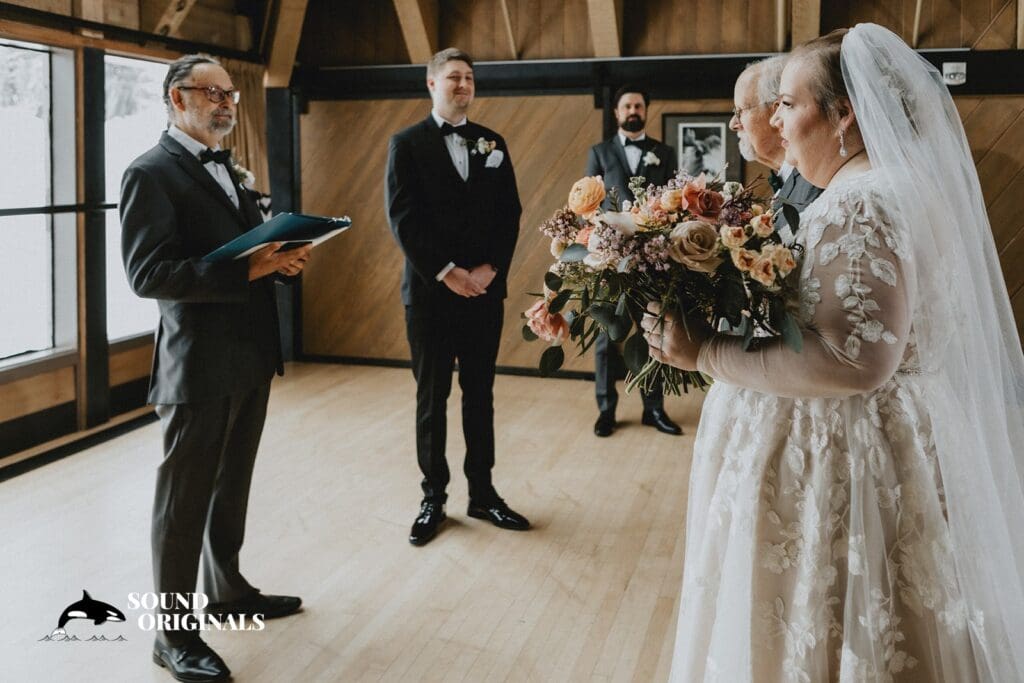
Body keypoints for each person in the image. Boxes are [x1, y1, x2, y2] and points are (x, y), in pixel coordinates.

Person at [645, 25, 1024, 681]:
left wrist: (705, 349)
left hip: (847, 463)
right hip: (901, 439)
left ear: (844, 112)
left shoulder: (861, 202)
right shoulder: (905, 187)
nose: (776, 120)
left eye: (789, 104)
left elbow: (855, 362)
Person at [121, 54, 308, 682]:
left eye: (231, 93)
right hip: (196, 363)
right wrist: (245, 269)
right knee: (182, 504)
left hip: (250, 351)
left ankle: (227, 591)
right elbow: (149, 275)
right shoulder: (149, 172)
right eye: (214, 92)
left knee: (231, 488)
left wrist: (277, 255)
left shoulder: (227, 165)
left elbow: (241, 246)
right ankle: (172, 637)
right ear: (178, 98)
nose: (228, 102)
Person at [385, 48, 530, 547]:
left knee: (480, 395)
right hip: (430, 295)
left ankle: (483, 493)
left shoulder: (494, 143)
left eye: (468, 77)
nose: (463, 84)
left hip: (484, 292)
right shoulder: (405, 144)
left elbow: (508, 213)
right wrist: (448, 273)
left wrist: (490, 269)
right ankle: (434, 498)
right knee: (432, 399)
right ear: (431, 85)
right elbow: (403, 219)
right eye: (453, 77)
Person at [585, 85, 682, 438]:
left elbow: (674, 201)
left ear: (646, 109)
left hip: (653, 259)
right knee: (606, 337)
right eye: (626, 105)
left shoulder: (664, 152)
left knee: (653, 330)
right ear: (617, 112)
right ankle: (606, 410)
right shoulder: (599, 152)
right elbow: (589, 205)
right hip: (610, 258)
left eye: (638, 105)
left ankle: (653, 409)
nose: (632, 110)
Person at [730, 56, 821, 243]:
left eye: (740, 111)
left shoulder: (817, 181)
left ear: (776, 110)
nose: (733, 124)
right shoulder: (788, 179)